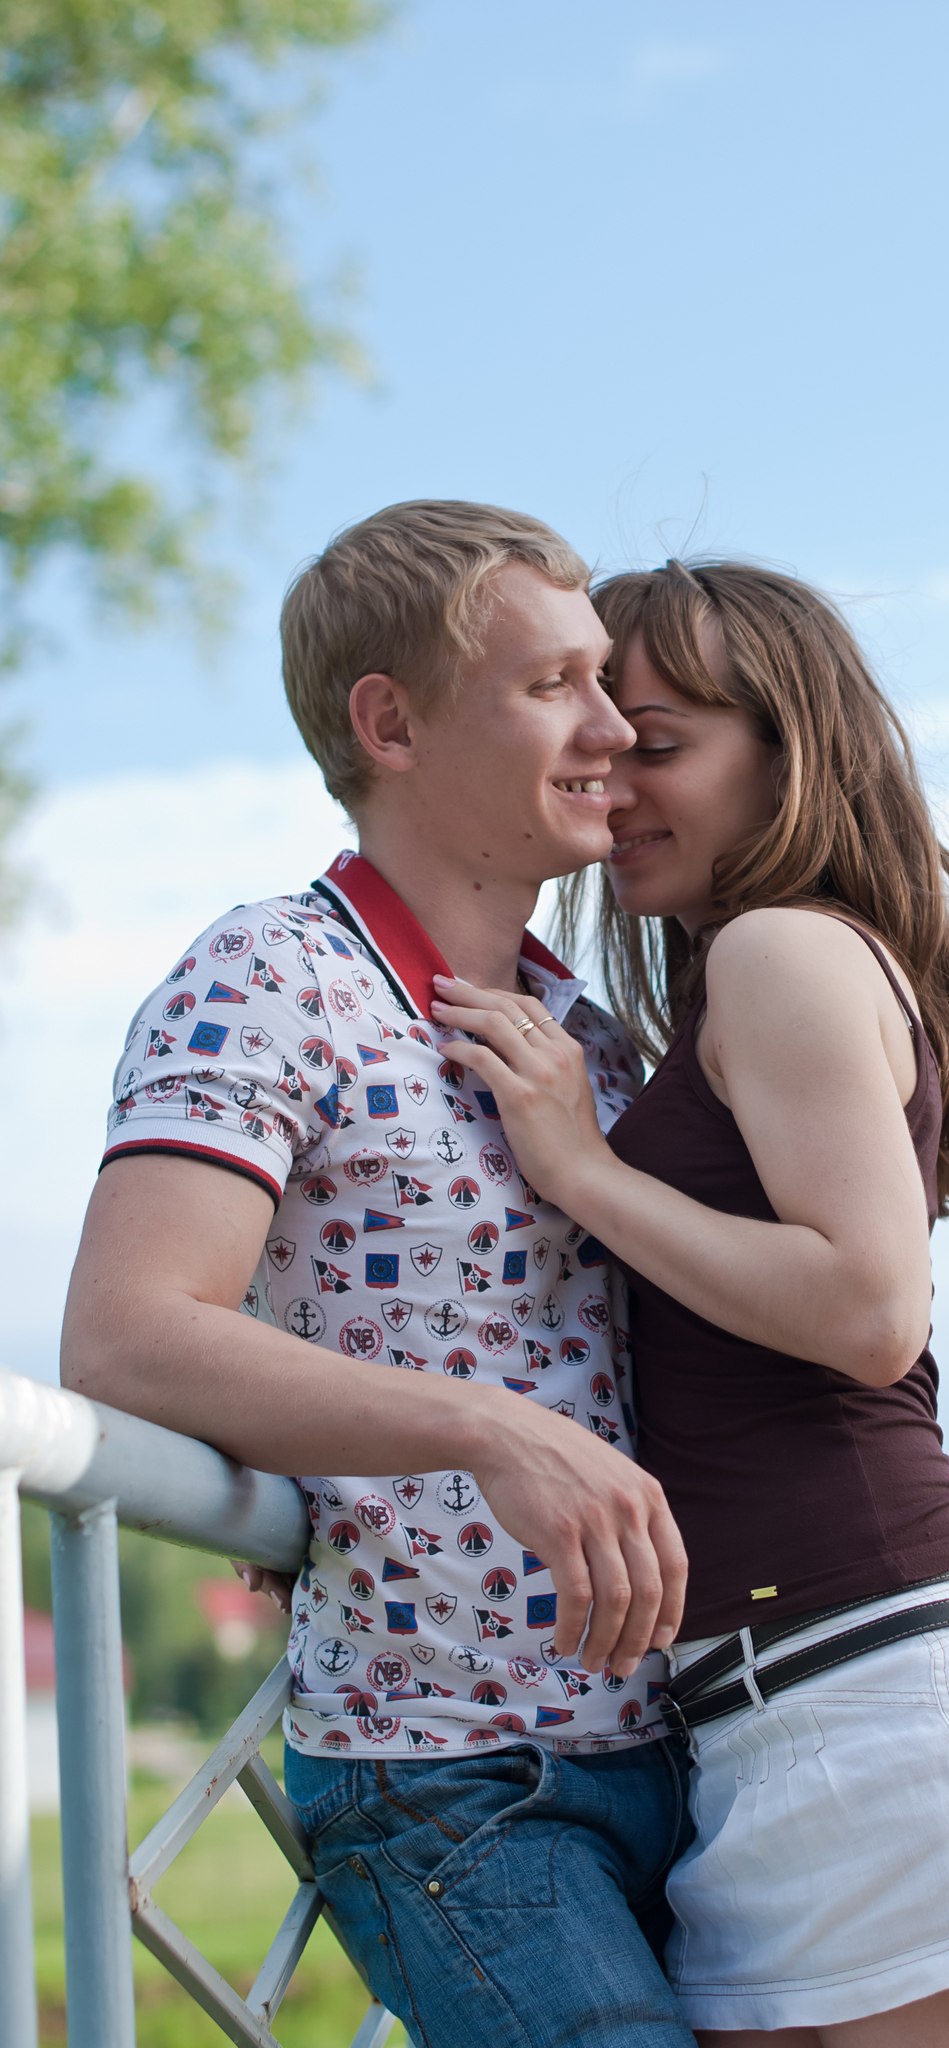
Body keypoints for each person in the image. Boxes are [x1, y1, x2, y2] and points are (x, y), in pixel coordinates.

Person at [430, 558, 949, 2047]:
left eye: (659, 745)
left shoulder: (780, 947)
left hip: (888, 1713)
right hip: (772, 1724)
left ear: (790, 752)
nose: (615, 787)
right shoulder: (736, 980)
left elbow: (871, 1311)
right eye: (600, 747)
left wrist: (579, 1169)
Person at [60, 502, 701, 2048]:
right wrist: (485, 1429)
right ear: (391, 725)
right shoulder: (269, 975)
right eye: (554, 686)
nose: (614, 729)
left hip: (680, 1751)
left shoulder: (593, 1037)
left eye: (606, 682)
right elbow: (126, 1339)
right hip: (450, 1776)